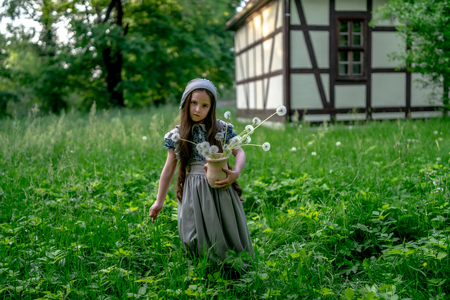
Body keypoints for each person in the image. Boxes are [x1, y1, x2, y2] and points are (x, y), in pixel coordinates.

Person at [148, 78, 253, 262]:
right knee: (190, 232)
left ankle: (229, 265)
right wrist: (159, 201)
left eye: (205, 106)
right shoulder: (178, 134)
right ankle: (200, 265)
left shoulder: (221, 128)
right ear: (185, 103)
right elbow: (168, 169)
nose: (198, 109)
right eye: (194, 103)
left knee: (223, 226)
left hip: (219, 184)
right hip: (192, 189)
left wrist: (235, 172)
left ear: (211, 108)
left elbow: (240, 152)